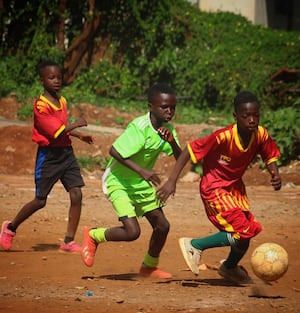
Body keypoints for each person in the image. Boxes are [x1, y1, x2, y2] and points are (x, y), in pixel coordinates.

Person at [157, 91, 281, 284]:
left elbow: (269, 153)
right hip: (214, 188)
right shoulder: (222, 137)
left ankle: (229, 267)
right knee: (242, 231)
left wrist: (275, 172)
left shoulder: (260, 134)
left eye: (255, 115)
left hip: (235, 189)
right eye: (245, 116)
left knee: (248, 232)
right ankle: (194, 245)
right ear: (235, 116)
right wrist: (172, 180)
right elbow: (190, 150)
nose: (251, 120)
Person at [81, 83, 181, 278]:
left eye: (173, 107)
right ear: (151, 106)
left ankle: (149, 267)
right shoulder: (140, 127)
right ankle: (93, 235)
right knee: (132, 232)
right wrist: (142, 171)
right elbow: (114, 151)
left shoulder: (168, 129)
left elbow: (180, 157)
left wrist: (172, 142)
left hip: (139, 184)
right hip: (118, 181)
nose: (169, 111)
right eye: (164, 107)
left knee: (163, 226)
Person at [0, 60, 94, 253]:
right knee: (40, 200)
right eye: (51, 77)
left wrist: (79, 136)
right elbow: (55, 133)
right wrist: (76, 125)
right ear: (42, 80)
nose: (56, 81)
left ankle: (68, 241)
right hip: (49, 157)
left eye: (59, 77)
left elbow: (62, 128)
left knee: (76, 193)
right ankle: (10, 228)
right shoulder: (40, 106)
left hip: (66, 154)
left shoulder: (62, 101)